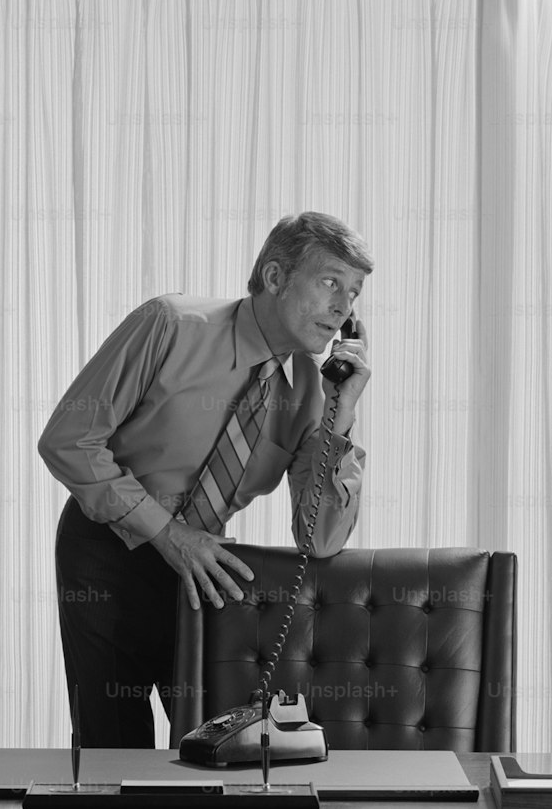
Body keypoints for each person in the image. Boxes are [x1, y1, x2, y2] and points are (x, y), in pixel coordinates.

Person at [38, 211, 373, 748]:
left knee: (207, 748)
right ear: (274, 276)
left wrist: (343, 413)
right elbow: (68, 440)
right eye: (330, 282)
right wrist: (167, 534)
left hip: (200, 571)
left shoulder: (314, 393)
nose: (342, 308)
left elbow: (321, 539)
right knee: (112, 746)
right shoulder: (169, 326)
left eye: (353, 294)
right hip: (108, 552)